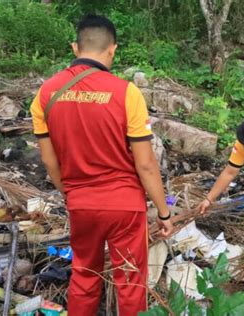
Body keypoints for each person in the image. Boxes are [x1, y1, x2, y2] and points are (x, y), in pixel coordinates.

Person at [30, 15, 174, 315]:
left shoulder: (45, 94)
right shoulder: (126, 93)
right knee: (131, 280)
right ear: (113, 50)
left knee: (84, 276)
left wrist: (70, 194)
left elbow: (48, 159)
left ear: (75, 46)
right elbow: (145, 164)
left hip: (81, 203)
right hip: (124, 205)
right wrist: (164, 212)